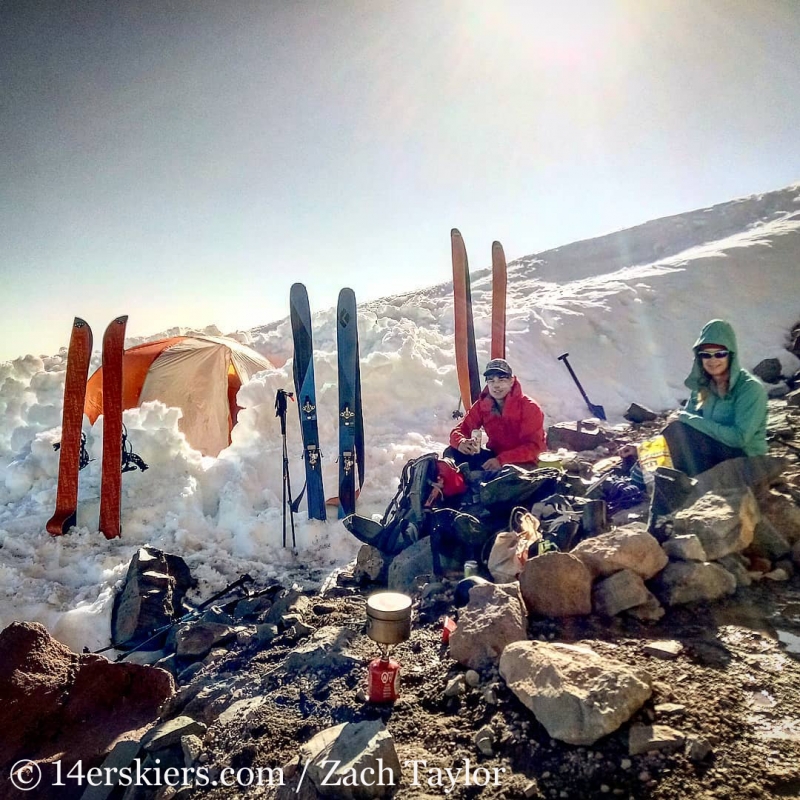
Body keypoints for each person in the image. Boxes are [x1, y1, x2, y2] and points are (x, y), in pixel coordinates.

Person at [661, 318, 768, 477]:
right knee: (675, 433)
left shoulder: (750, 388)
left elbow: (739, 438)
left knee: (677, 429)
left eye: (720, 354)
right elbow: (687, 423)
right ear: (699, 357)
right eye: (706, 355)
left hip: (747, 460)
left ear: (731, 355)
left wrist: (687, 419)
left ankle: (692, 484)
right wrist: (637, 451)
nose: (712, 360)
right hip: (716, 453)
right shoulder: (703, 386)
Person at [446, 358, 546, 472]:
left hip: (524, 462)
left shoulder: (530, 407)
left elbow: (535, 448)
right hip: (495, 456)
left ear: (512, 381)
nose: (496, 385)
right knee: (452, 451)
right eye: (491, 381)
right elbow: (461, 429)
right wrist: (461, 442)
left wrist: (502, 460)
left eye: (501, 379)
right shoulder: (483, 404)